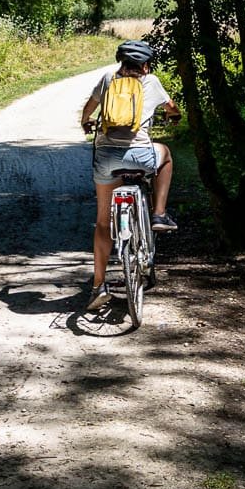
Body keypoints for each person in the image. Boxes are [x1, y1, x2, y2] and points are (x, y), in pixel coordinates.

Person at [80, 39, 181, 315]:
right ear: (146, 66)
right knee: (166, 155)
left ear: (120, 62)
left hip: (106, 157)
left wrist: (86, 123)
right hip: (140, 155)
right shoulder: (152, 82)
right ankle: (159, 213)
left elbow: (88, 110)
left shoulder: (107, 79)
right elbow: (171, 107)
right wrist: (174, 115)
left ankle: (99, 285)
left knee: (103, 222)